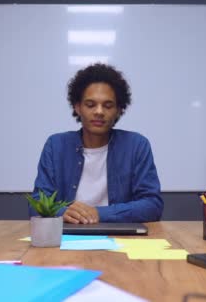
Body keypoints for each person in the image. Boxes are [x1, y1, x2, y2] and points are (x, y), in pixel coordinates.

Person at [28, 63, 163, 223]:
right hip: (67, 235)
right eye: (90, 105)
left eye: (108, 105)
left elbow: (152, 205)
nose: (99, 112)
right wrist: (62, 212)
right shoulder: (56, 145)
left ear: (119, 109)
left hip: (122, 237)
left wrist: (99, 213)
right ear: (77, 107)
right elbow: (36, 204)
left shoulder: (137, 145)